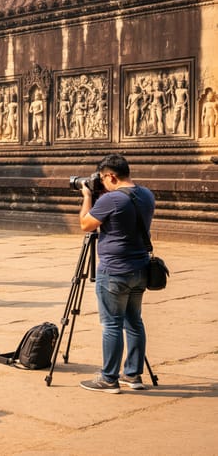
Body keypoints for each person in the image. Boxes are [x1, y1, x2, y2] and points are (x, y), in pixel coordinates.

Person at [78, 154, 155, 393]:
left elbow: (85, 224)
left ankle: (108, 378)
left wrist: (88, 196)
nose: (102, 182)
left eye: (103, 178)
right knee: (134, 322)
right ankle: (132, 375)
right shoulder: (146, 194)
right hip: (140, 268)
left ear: (111, 176)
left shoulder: (110, 199)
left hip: (114, 270)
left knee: (111, 325)